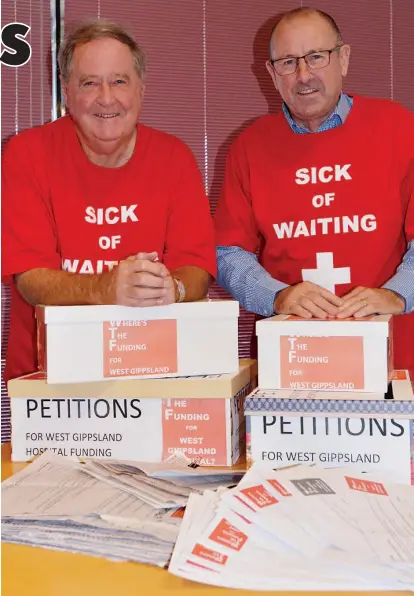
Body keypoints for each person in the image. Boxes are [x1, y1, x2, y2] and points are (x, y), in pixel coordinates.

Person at [2, 19, 216, 382]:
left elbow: (196, 271)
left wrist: (172, 287)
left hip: (153, 370)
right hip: (49, 376)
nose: (106, 97)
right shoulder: (25, 154)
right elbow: (30, 280)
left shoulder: (174, 157)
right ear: (67, 93)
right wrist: (106, 288)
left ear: (141, 90)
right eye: (90, 83)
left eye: (119, 81)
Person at [214, 7, 414, 375]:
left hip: (394, 359)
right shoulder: (249, 147)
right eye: (288, 63)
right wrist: (277, 295)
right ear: (272, 75)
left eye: (316, 57)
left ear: (344, 59)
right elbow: (227, 253)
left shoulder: (399, 128)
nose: (304, 76)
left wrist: (397, 293)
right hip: (292, 360)